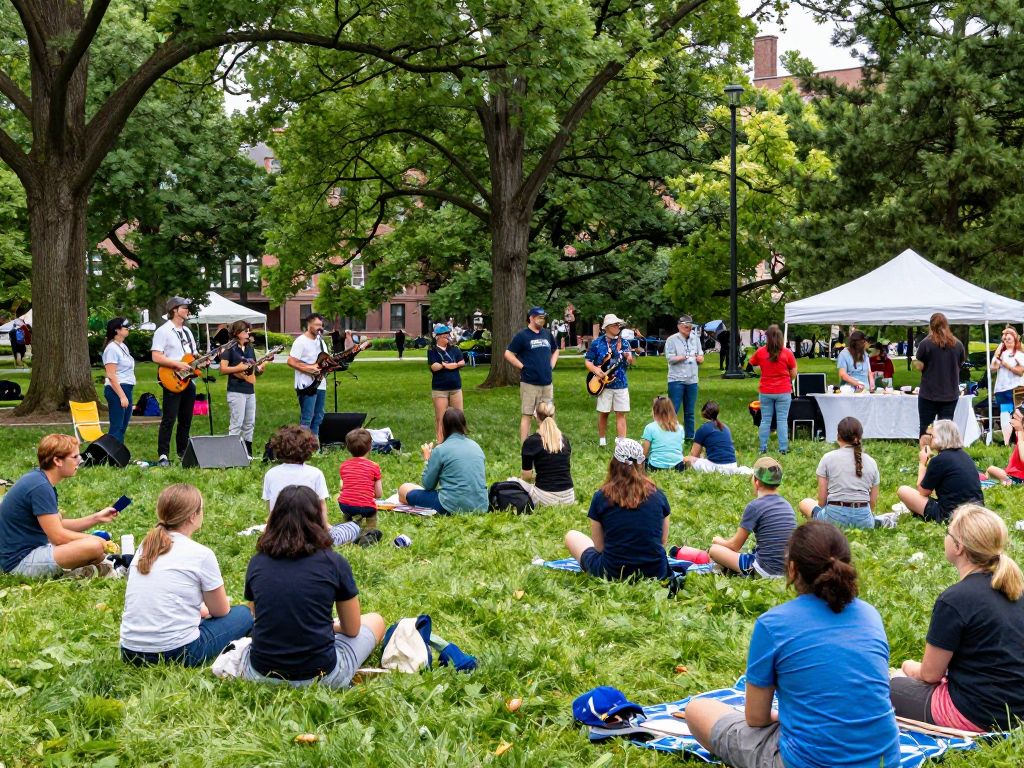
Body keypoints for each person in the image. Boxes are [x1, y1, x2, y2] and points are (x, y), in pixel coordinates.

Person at [685, 521, 901, 768]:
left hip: (806, 761)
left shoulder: (773, 625)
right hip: (885, 759)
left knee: (698, 710)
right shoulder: (871, 615)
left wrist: (783, 717)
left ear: (791, 569)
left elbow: (756, 718)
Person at [890, 504, 1024, 732]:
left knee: (882, 684)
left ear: (958, 546)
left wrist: (907, 667)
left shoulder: (954, 600)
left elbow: (930, 675)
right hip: (1017, 710)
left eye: (948, 533)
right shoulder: (1016, 589)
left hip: (977, 713)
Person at [241, 485, 386, 689]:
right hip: (322, 675)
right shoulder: (334, 563)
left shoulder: (257, 562)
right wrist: (331, 625)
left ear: (274, 518)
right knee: (376, 620)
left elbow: (255, 615)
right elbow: (352, 629)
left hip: (259, 673)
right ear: (318, 518)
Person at [120, 484, 253, 666]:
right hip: (178, 653)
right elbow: (221, 611)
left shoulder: (146, 545)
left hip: (130, 653)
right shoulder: (201, 554)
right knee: (244, 614)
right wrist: (206, 610)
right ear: (192, 516)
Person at [0, 434, 118, 578]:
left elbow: (58, 525)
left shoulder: (39, 480)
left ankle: (95, 568)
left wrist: (96, 518)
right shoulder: (40, 487)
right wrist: (95, 541)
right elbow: (58, 537)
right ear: (57, 460)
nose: (80, 461)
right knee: (94, 546)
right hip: (19, 563)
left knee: (93, 546)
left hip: (29, 551)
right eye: (75, 457)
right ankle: (95, 568)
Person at [563, 438, 670, 580]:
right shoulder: (659, 496)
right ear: (641, 464)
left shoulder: (601, 497)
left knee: (571, 536)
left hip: (613, 572)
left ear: (613, 463)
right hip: (656, 571)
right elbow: (663, 541)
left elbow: (599, 548)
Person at [797, 416, 898, 529]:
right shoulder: (872, 462)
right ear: (860, 437)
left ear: (838, 436)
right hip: (864, 521)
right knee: (867, 516)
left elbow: (822, 501)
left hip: (833, 520)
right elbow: (872, 503)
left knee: (805, 502)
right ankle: (878, 521)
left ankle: (878, 521)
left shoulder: (827, 458)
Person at [707, 456, 795, 578]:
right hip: (787, 572)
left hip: (765, 571)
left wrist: (718, 540)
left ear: (757, 482)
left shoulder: (755, 506)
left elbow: (734, 546)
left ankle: (728, 570)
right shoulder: (787, 506)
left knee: (714, 550)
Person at [398, 408, 487, 514]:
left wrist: (428, 459)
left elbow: (428, 485)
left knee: (404, 489)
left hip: (450, 505)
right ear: (464, 425)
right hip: (481, 505)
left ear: (443, 427)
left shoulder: (441, 450)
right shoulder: (476, 446)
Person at [895, 420, 983, 524]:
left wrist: (922, 463)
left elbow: (923, 492)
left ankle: (922, 515)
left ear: (942, 437)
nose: (930, 438)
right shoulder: (965, 456)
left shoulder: (939, 460)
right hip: (977, 512)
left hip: (952, 515)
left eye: (932, 436)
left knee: (903, 490)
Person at [151, 296, 201, 467]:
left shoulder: (187, 332)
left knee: (186, 419)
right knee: (169, 418)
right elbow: (156, 356)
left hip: (188, 380)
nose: (187, 310)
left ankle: (182, 452)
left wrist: (203, 360)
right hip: (172, 378)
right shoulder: (163, 331)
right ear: (174, 310)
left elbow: (192, 357)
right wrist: (177, 364)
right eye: (184, 308)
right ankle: (163, 454)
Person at [504, 307, 559, 443]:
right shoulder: (522, 335)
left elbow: (555, 350)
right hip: (529, 383)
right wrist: (522, 366)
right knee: (527, 414)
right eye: (539, 317)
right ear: (531, 318)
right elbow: (508, 354)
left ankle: (548, 442)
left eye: (543, 317)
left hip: (547, 382)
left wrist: (551, 364)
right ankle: (525, 445)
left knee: (548, 414)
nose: (542, 320)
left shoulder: (547, 334)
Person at [914, 312, 966, 447]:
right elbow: (960, 364)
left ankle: (925, 457)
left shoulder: (925, 344)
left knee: (926, 427)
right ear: (946, 325)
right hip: (950, 393)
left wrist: (918, 364)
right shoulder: (958, 344)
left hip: (928, 393)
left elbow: (919, 366)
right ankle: (945, 455)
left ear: (930, 326)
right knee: (946, 430)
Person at [219, 320, 270, 458]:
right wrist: (239, 368)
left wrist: (262, 367)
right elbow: (223, 369)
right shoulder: (229, 348)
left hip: (249, 390)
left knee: (249, 423)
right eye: (245, 331)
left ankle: (248, 453)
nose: (248, 333)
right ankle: (232, 454)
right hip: (236, 390)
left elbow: (253, 371)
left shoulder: (249, 349)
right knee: (237, 422)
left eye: (249, 331)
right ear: (237, 333)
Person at [512, 402, 575, 507]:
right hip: (569, 497)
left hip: (545, 498)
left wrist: (534, 478)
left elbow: (526, 476)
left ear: (535, 416)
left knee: (512, 481)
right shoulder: (564, 440)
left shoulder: (531, 442)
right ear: (553, 415)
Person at [585, 314, 634, 446]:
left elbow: (630, 360)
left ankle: (622, 443)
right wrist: (595, 370)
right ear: (606, 327)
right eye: (614, 325)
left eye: (618, 324)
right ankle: (602, 441)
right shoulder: (597, 343)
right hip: (603, 385)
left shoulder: (624, 342)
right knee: (604, 413)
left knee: (621, 413)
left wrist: (629, 358)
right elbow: (588, 361)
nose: (618, 326)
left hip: (621, 384)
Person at [749, 324, 797, 454]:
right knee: (782, 420)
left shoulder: (760, 352)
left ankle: (763, 447)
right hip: (783, 390)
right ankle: (783, 448)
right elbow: (793, 372)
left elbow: (752, 364)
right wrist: (787, 379)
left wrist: (762, 371)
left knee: (765, 420)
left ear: (767, 338)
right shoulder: (787, 353)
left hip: (766, 390)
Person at [337, 428, 383, 545]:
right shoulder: (374, 466)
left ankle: (347, 526)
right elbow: (379, 494)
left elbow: (342, 486)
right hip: (367, 507)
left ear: (348, 448)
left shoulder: (344, 466)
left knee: (348, 511)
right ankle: (368, 533)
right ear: (370, 447)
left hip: (345, 505)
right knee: (372, 514)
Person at [288, 313, 328, 439]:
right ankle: (302, 446)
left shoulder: (321, 342)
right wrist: (309, 369)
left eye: (321, 325)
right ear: (309, 325)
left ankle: (315, 446)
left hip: (320, 383)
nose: (319, 328)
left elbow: (325, 360)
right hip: (306, 384)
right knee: (307, 417)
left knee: (318, 416)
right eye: (316, 325)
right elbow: (291, 361)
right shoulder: (301, 341)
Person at [665, 315, 704, 440]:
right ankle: (670, 436)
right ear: (679, 326)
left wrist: (699, 359)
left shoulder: (695, 339)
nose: (687, 327)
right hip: (676, 379)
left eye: (689, 325)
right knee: (673, 409)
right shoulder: (672, 339)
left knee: (690, 411)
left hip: (692, 380)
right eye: (684, 325)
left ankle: (689, 437)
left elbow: (701, 356)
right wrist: (683, 357)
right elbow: (670, 358)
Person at [427, 323, 466, 444]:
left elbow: (461, 362)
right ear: (437, 337)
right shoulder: (432, 351)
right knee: (441, 417)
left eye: (448, 335)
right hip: (440, 389)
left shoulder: (454, 349)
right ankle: (440, 442)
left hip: (456, 388)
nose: (447, 337)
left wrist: (446, 365)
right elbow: (434, 366)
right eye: (444, 335)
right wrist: (449, 365)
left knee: (459, 415)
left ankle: (461, 441)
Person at [683, 401, 746, 475]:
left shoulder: (702, 429)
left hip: (718, 468)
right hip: (732, 466)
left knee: (686, 459)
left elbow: (693, 455)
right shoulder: (725, 427)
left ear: (703, 413)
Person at [102, 317, 135, 444]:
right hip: (116, 388)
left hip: (127, 387)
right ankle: (110, 455)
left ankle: (118, 453)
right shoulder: (111, 348)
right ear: (117, 330)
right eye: (125, 326)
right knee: (117, 425)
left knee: (123, 425)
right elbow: (111, 374)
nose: (128, 329)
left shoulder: (123, 347)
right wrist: (122, 396)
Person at [989, 326, 1024, 444]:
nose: (1006, 341)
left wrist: (1006, 364)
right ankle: (1008, 442)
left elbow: (1020, 372)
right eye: (1005, 339)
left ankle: (1012, 442)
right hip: (1005, 389)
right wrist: (998, 352)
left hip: (1016, 388)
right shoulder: (1002, 354)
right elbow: (993, 367)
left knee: (1015, 414)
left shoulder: (1019, 354)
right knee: (1007, 414)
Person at [641, 395, 685, 471]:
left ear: (655, 410)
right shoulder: (680, 428)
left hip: (656, 466)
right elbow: (679, 448)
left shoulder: (650, 428)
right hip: (678, 466)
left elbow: (644, 452)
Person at [985, 407, 1024, 485]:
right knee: (990, 470)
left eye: (1016, 418)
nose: (1012, 421)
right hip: (1013, 474)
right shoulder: (1018, 436)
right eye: (1013, 418)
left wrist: (1020, 434)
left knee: (991, 469)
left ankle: (1007, 482)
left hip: (1018, 478)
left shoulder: (1021, 438)